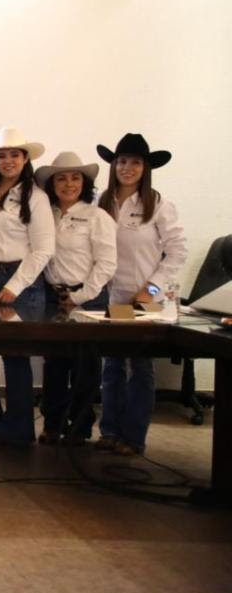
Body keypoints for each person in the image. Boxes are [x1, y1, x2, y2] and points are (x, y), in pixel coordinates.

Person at [96, 133, 186, 455]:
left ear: (146, 168)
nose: (127, 168)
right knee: (111, 367)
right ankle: (109, 432)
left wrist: (150, 290)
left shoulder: (158, 204)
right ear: (114, 165)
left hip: (144, 301)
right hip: (111, 299)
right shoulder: (102, 202)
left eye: (135, 162)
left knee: (140, 367)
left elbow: (177, 252)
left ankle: (133, 438)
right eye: (122, 161)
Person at [0, 128, 54, 448]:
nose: (8, 161)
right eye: (2, 155)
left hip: (21, 281)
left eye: (14, 155)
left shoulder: (36, 197)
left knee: (15, 357)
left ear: (25, 159)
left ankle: (18, 428)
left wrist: (15, 286)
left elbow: (43, 249)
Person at [34, 152, 117, 444]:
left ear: (85, 183)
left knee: (85, 368)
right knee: (54, 365)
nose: (68, 184)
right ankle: (52, 424)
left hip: (89, 298)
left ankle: (80, 428)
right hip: (52, 296)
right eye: (61, 178)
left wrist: (80, 296)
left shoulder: (97, 217)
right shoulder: (45, 214)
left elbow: (107, 264)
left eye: (75, 178)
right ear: (52, 183)